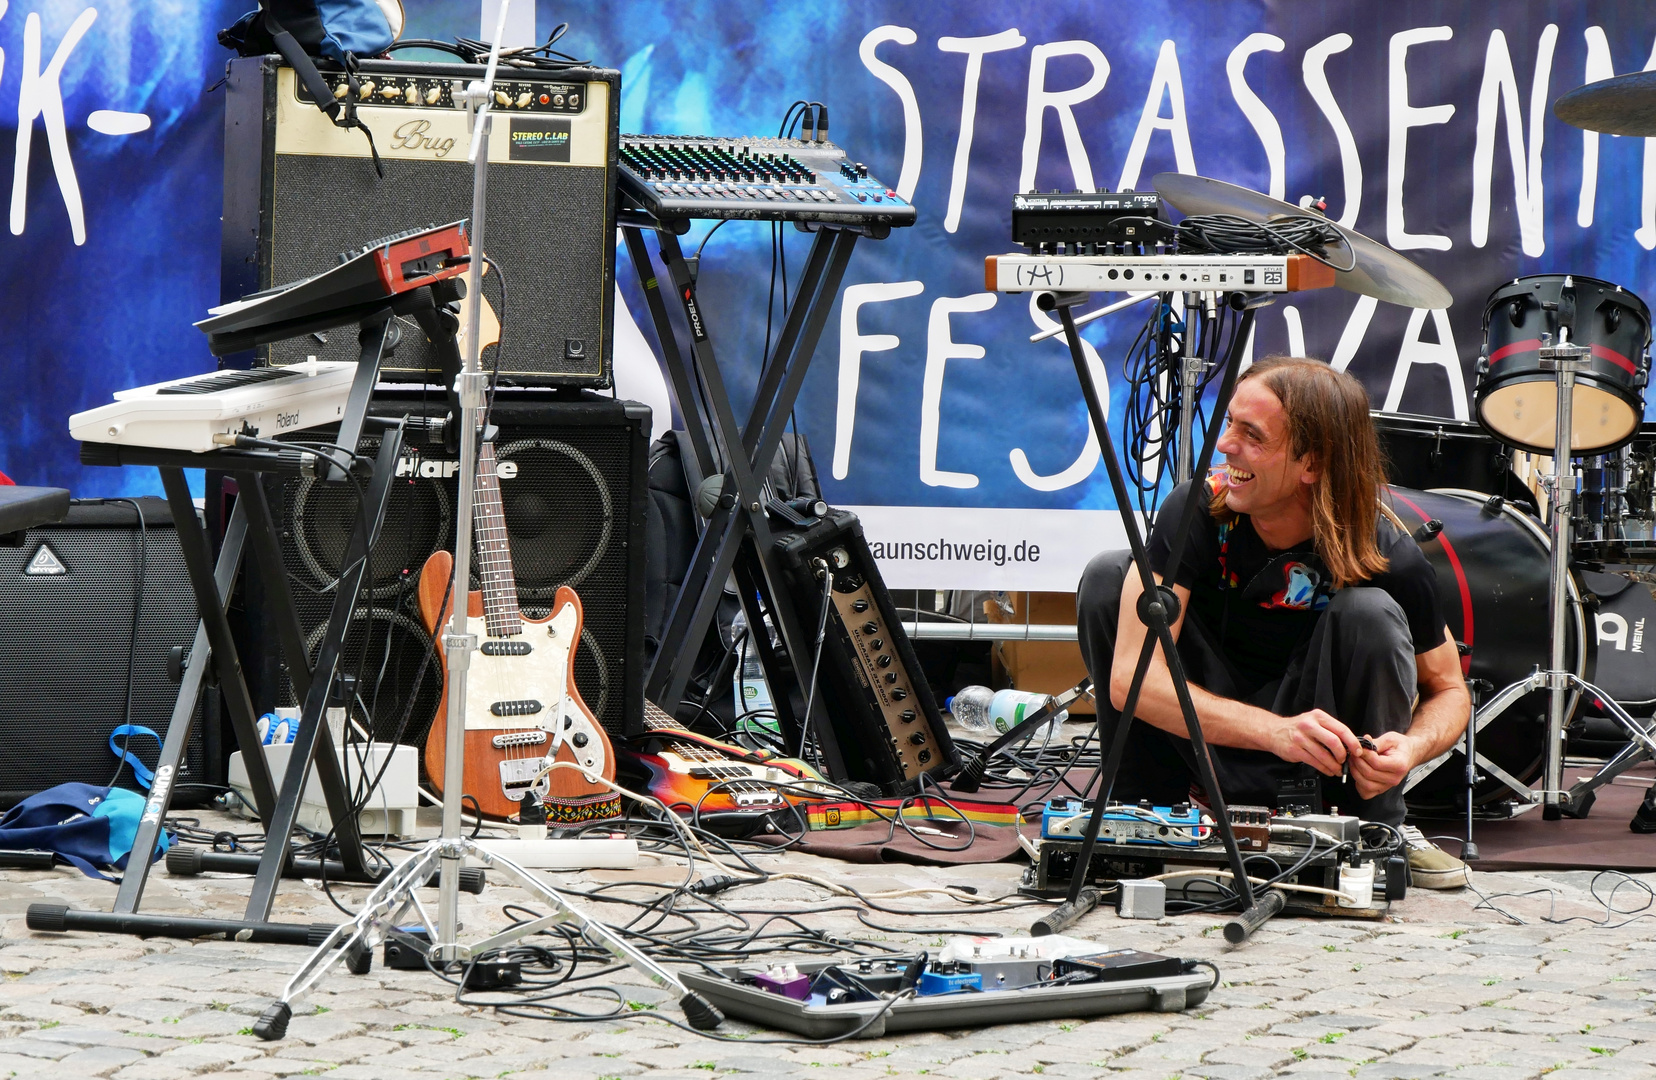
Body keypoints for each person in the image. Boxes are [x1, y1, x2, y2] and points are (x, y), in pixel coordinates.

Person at [1076, 356, 1470, 888]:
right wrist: (1276, 733)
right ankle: (1143, 814)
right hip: (1209, 736)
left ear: (1311, 463)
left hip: (1321, 759)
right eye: (1229, 422)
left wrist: (1412, 749)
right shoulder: (1195, 509)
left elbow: (1450, 689)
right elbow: (1130, 677)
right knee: (1110, 578)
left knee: (1370, 613)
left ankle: (1377, 830)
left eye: (1251, 434)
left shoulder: (1383, 549)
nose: (1224, 444)